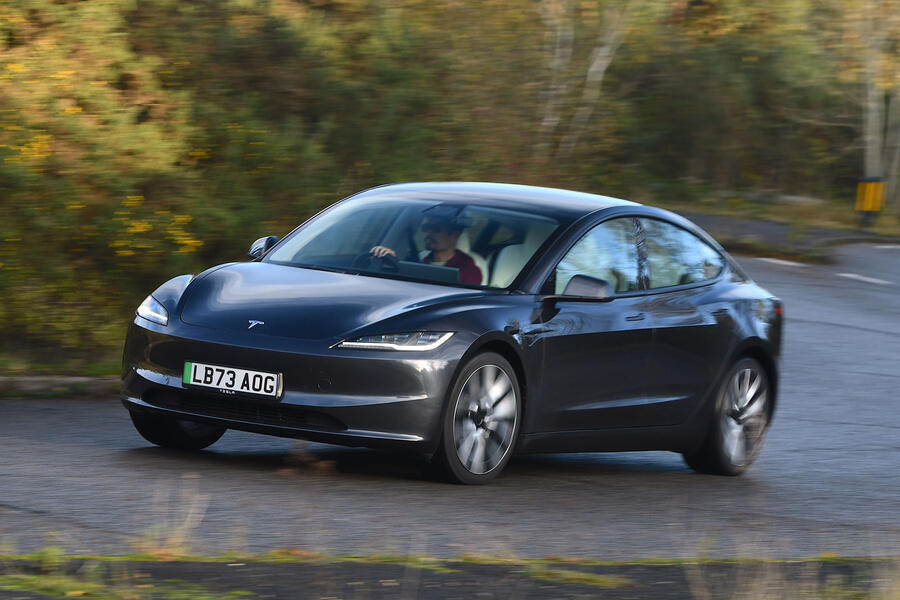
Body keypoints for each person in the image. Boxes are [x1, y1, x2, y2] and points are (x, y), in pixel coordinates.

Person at [370, 214, 483, 285]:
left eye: (436, 229)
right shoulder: (419, 261)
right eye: (426, 228)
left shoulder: (469, 270)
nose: (428, 233)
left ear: (455, 236)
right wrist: (392, 264)